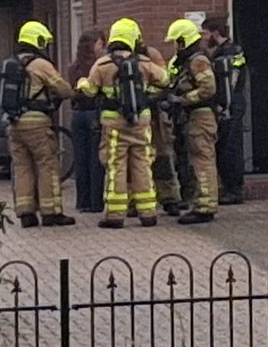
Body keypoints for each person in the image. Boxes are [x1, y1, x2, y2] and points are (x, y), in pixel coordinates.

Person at [76, 18, 169, 229]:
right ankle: (148, 213)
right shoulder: (144, 63)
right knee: (142, 165)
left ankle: (115, 215)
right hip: (140, 122)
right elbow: (164, 80)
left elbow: (90, 91)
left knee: (116, 166)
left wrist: (81, 82)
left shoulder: (103, 64)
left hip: (114, 124)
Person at [9, 21, 76, 228]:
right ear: (37, 40)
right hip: (37, 122)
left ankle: (26, 213)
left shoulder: (12, 62)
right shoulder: (40, 64)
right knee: (47, 164)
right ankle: (51, 212)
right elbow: (63, 89)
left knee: (22, 167)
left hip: (13, 123)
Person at [164, 19, 219, 225]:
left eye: (175, 42)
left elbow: (208, 88)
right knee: (197, 161)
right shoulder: (189, 61)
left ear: (183, 40)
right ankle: (201, 203)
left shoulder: (198, 61)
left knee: (202, 161)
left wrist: (182, 100)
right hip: (193, 117)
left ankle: (205, 207)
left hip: (200, 117)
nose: (174, 47)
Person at [202, 18, 248, 205]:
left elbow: (232, 81)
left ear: (215, 32)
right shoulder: (221, 53)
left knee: (230, 148)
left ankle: (234, 190)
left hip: (231, 104)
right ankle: (229, 187)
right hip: (227, 103)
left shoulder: (231, 52)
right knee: (224, 147)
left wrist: (224, 105)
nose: (203, 38)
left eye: (205, 33)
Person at [141, 41, 185, 216]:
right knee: (138, 161)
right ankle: (137, 201)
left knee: (161, 158)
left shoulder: (150, 54)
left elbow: (165, 81)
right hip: (137, 118)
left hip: (155, 117)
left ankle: (169, 198)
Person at [68, 29, 106, 214]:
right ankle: (95, 202)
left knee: (80, 159)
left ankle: (82, 202)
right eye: (100, 44)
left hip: (77, 115)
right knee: (95, 160)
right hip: (93, 114)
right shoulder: (98, 66)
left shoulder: (74, 67)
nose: (103, 48)